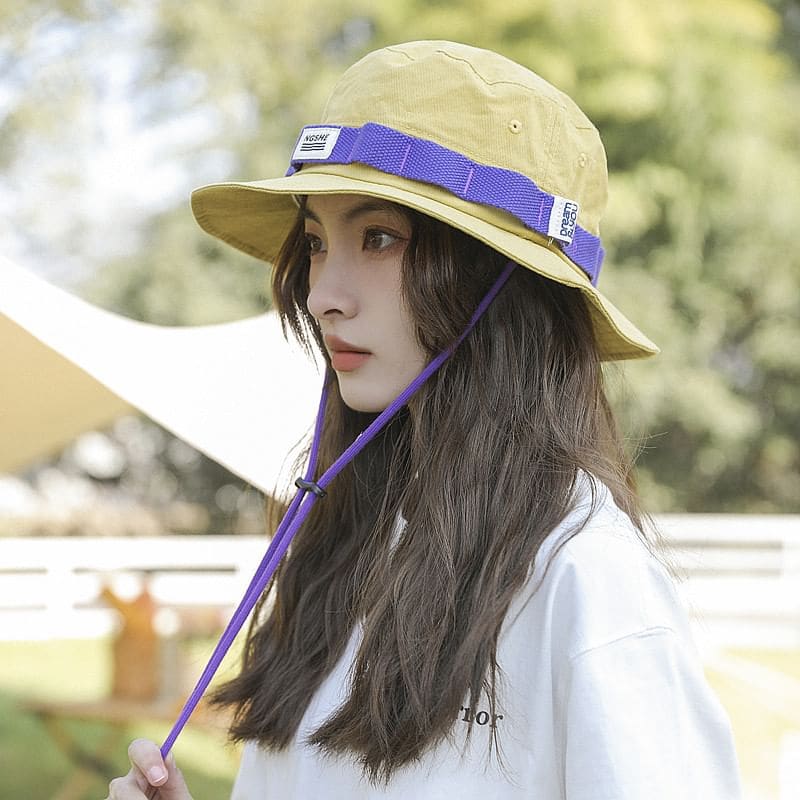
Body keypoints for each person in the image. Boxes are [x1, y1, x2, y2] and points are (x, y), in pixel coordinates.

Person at [105, 40, 743, 799]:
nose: (322, 294)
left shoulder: (584, 578)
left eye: (378, 237)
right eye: (316, 243)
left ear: (500, 284)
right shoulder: (339, 542)